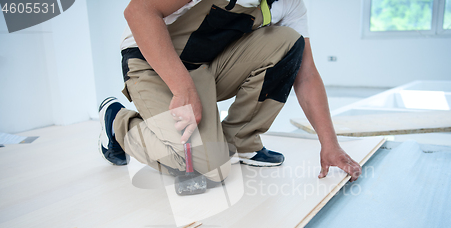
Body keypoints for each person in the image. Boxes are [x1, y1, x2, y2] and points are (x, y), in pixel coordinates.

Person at [98, 0, 362, 184]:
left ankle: (239, 141)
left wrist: (330, 144)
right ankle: (118, 124)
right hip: (153, 62)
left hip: (204, 64)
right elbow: (138, 11)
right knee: (203, 170)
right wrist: (183, 88)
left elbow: (306, 75)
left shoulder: (291, 4)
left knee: (289, 41)